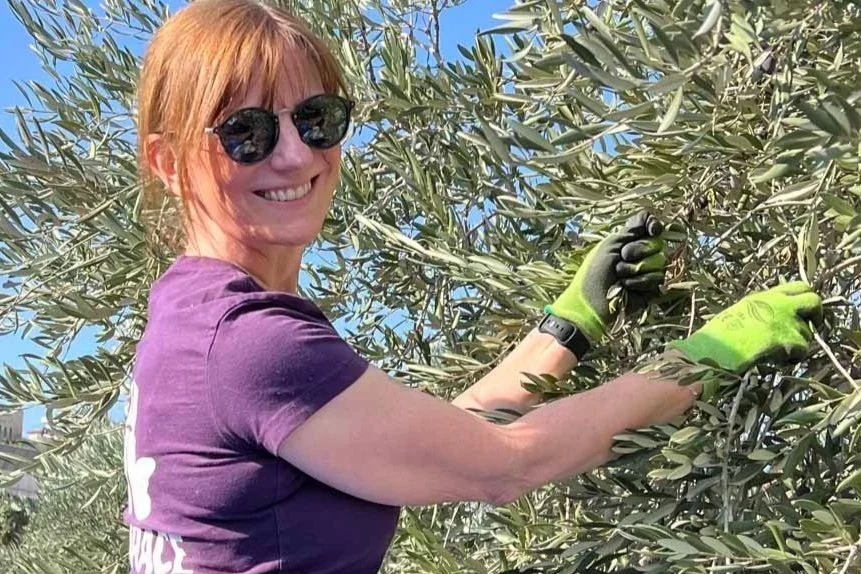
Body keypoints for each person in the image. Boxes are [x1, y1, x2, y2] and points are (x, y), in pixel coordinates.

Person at [123, 0, 824, 572]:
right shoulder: (249, 344)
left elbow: (442, 440)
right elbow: (503, 468)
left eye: (316, 119)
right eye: (245, 133)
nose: (296, 154)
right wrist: (710, 354)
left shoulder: (194, 319)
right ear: (168, 162)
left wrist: (571, 323)